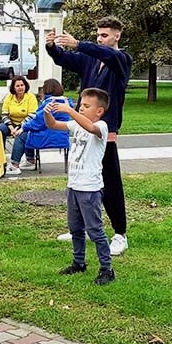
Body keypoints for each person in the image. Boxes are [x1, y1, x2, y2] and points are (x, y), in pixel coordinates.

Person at [46, 16, 132, 255]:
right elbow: (65, 59)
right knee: (83, 180)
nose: (100, 39)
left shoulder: (121, 59)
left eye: (104, 35)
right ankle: (81, 228)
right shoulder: (90, 60)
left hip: (106, 131)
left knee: (110, 183)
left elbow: (110, 56)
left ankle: (119, 234)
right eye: (98, 35)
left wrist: (80, 43)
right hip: (82, 129)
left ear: (117, 35)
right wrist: (52, 46)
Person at [44, 88, 115, 285]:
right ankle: (79, 262)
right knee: (75, 228)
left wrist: (69, 110)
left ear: (99, 111)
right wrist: (47, 112)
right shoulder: (76, 124)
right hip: (73, 186)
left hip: (89, 189)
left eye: (86, 106)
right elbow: (54, 125)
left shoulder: (101, 126)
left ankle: (106, 268)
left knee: (95, 230)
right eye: (80, 105)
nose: (81, 108)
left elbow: (90, 129)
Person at [0, 75, 38, 175]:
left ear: (25, 86)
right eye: (17, 85)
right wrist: (11, 128)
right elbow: (4, 114)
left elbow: (32, 115)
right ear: (13, 88)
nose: (20, 87)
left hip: (27, 124)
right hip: (11, 123)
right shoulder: (9, 97)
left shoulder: (31, 97)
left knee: (21, 135)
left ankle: (15, 165)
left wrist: (20, 128)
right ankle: (0, 159)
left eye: (22, 85)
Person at [18, 78, 73, 152]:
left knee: (21, 135)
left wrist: (23, 127)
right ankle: (29, 158)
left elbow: (38, 122)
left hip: (46, 138)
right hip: (62, 138)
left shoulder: (49, 103)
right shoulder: (67, 103)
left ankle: (17, 162)